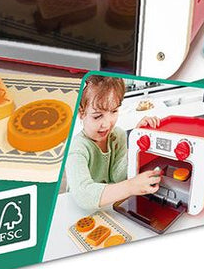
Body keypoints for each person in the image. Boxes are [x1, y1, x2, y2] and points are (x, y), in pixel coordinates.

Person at [66, 75, 161, 211]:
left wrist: (136, 142)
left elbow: (118, 176)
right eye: (97, 116)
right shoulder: (77, 148)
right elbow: (84, 195)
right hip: (77, 211)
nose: (107, 124)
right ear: (81, 113)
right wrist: (130, 186)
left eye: (114, 111)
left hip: (107, 208)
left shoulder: (118, 135)